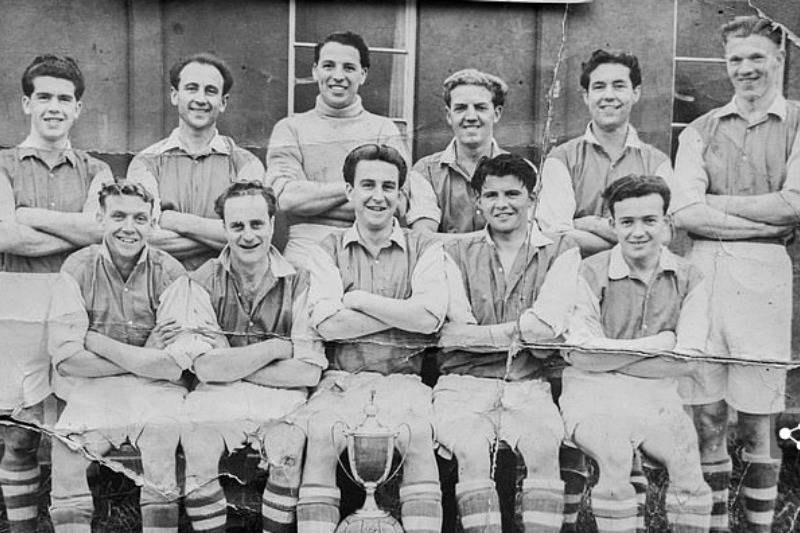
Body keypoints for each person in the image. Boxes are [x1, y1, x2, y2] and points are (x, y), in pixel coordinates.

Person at [671, 15, 800, 533]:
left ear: (778, 60)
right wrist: (761, 218)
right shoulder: (702, 129)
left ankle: (760, 527)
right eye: (735, 60)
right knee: (706, 414)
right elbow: (683, 212)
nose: (745, 69)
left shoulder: (797, 123)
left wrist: (718, 209)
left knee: (758, 416)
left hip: (766, 277)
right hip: (705, 272)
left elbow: (796, 203)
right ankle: (714, 524)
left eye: (755, 58)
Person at [299, 144, 446, 533]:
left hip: (404, 381)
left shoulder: (426, 246)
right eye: (367, 184)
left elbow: (430, 318)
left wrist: (361, 301)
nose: (378, 196)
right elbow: (328, 324)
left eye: (388, 186)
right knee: (321, 437)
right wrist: (402, 313)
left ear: (401, 195)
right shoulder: (326, 249)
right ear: (349, 191)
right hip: (341, 382)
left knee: (417, 438)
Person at [437, 153, 580, 532]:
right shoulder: (453, 252)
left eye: (514, 194)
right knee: (470, 451)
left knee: (544, 449)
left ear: (532, 199)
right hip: (463, 385)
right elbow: (452, 331)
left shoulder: (561, 251)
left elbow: (545, 328)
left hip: (529, 385)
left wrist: (478, 337)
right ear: (478, 202)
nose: (502, 204)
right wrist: (522, 330)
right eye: (492, 195)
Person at [562, 175, 712, 533]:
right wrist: (656, 345)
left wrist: (611, 356)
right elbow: (580, 356)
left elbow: (688, 361)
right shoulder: (589, 271)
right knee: (614, 457)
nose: (638, 232)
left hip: (657, 396)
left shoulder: (690, 276)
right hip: (591, 392)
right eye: (627, 222)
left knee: (689, 463)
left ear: (667, 224)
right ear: (613, 225)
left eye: (649, 221)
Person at [0, 54, 111, 533]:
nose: (54, 106)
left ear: (78, 108)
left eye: (64, 98)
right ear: (27, 102)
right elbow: (5, 237)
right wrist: (77, 232)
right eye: (44, 96)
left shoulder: (96, 168)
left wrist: (28, 215)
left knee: (73, 431)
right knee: (19, 436)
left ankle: (70, 519)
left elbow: (101, 231)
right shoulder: (2, 163)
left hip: (74, 308)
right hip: (16, 305)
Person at [47, 181, 196, 533]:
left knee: (160, 445)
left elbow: (174, 365)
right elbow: (67, 360)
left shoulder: (171, 271)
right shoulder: (77, 268)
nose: (129, 227)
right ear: (100, 218)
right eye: (118, 216)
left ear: (152, 223)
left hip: (158, 390)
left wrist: (97, 342)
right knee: (66, 451)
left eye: (140, 218)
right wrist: (145, 354)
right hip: (96, 389)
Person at [178, 181, 326, 533]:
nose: (248, 236)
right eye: (237, 226)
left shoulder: (301, 280)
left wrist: (233, 364)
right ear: (225, 228)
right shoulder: (201, 281)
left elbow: (307, 372)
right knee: (198, 451)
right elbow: (206, 368)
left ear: (273, 225)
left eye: (257, 224)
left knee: (288, 451)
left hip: (283, 397)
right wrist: (275, 348)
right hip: (216, 396)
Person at [265, 31, 408, 266]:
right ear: (315, 71)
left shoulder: (384, 129)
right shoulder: (290, 128)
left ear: (362, 74)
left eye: (349, 68)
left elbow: (396, 204)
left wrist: (313, 203)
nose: (338, 76)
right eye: (329, 66)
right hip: (305, 253)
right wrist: (362, 190)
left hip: (371, 252)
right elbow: (286, 200)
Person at [126, 52, 264, 271]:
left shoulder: (246, 164)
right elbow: (141, 237)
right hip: (160, 283)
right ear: (174, 95)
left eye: (210, 91)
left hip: (227, 284)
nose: (200, 99)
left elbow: (253, 237)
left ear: (223, 102)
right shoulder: (145, 162)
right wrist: (220, 236)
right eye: (192, 88)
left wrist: (173, 220)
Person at [536, 49, 671, 257]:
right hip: (577, 279)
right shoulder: (560, 159)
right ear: (586, 96)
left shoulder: (657, 163)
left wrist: (590, 224)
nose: (609, 96)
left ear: (635, 93)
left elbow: (664, 236)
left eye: (619, 86)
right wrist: (632, 241)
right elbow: (556, 237)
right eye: (599, 87)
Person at [407, 69, 510, 234]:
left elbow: (522, 237)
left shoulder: (520, 170)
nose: (470, 116)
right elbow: (424, 237)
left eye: (480, 108)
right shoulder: (425, 171)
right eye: (461, 108)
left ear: (496, 114)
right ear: (449, 115)